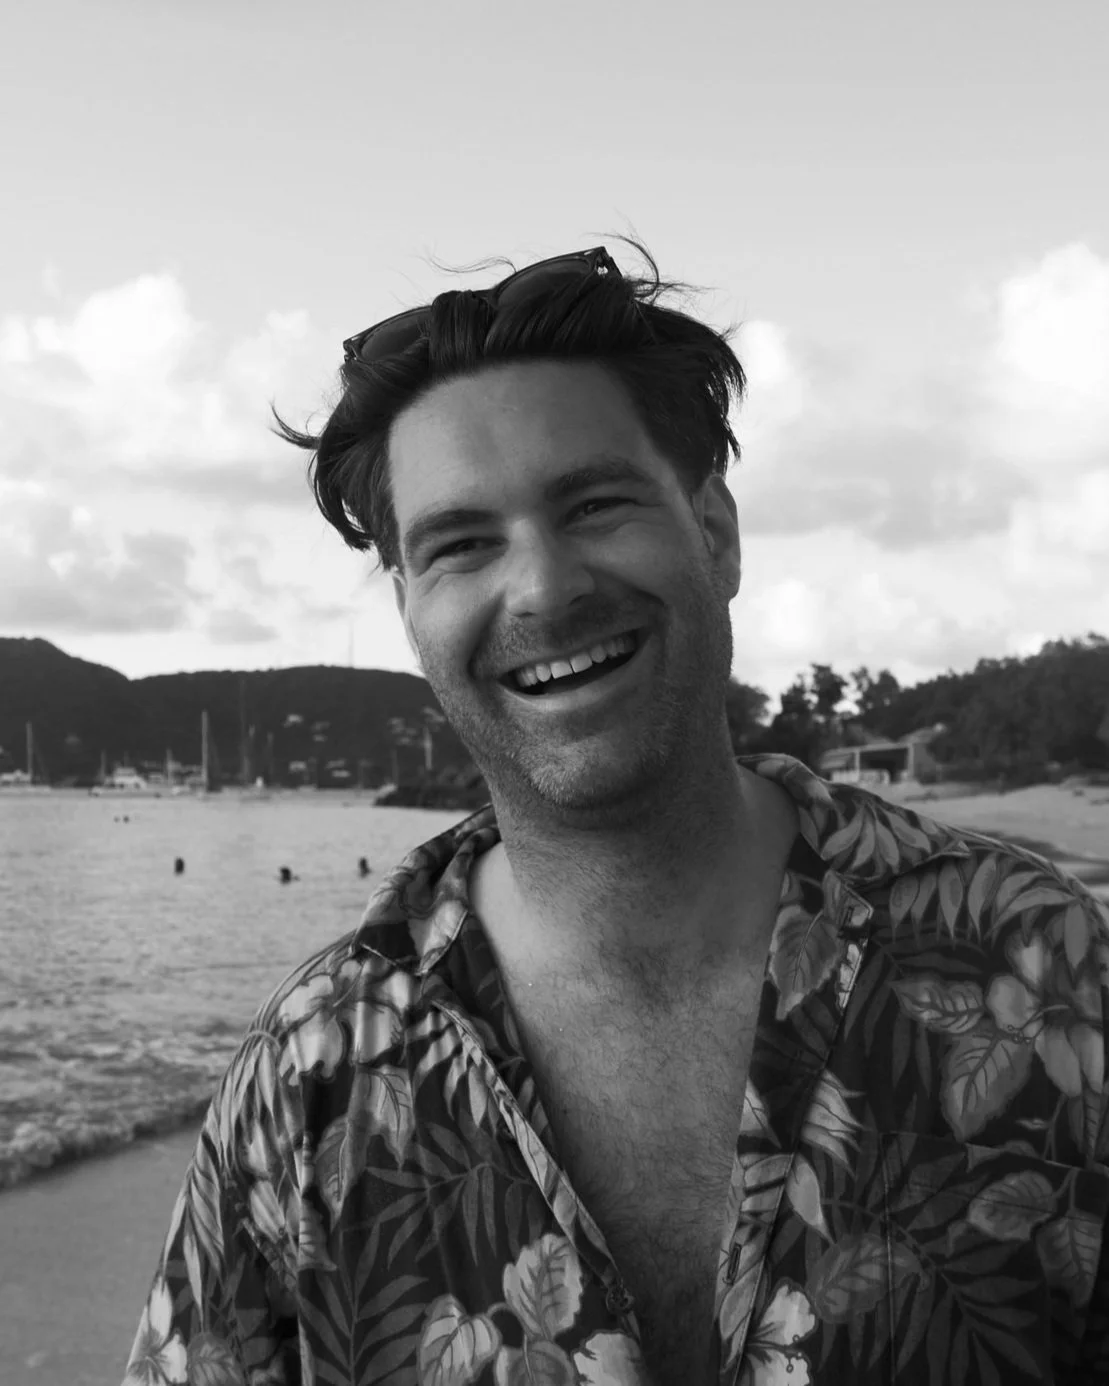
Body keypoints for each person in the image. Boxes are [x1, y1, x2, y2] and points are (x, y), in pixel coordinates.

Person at [123, 238, 1109, 1386]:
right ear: (409, 609)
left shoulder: (1036, 965)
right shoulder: (313, 1079)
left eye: (591, 503)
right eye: (461, 544)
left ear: (716, 534)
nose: (541, 587)